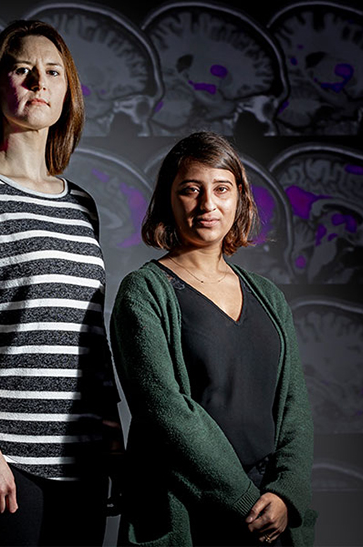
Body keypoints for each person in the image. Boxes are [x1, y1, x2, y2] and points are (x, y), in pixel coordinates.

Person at [0, 19, 123, 547]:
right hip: (2, 463)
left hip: (80, 461)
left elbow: (90, 335)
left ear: (66, 92)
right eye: (23, 69)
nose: (39, 82)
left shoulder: (81, 205)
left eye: (53, 72)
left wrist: (112, 438)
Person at [110, 132, 317, 546]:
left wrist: (283, 493)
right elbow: (165, 411)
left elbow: (295, 405)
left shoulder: (268, 296)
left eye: (221, 188)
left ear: (239, 197)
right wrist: (245, 501)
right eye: (191, 190)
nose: (208, 204)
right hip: (189, 511)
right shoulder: (145, 291)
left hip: (270, 514)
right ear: (169, 199)